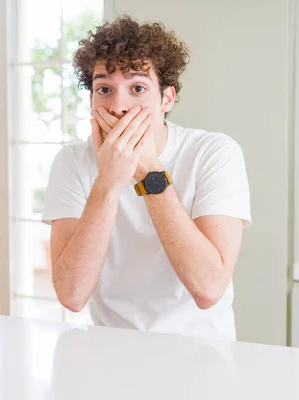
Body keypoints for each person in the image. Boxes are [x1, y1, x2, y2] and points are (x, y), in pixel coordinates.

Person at [42, 15, 251, 340]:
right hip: (112, 352)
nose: (119, 105)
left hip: (203, 356)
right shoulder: (71, 162)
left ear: (166, 98)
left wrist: (147, 172)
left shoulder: (214, 153)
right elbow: (71, 295)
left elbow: (209, 288)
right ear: (91, 101)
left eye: (137, 88)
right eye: (104, 89)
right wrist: (109, 181)